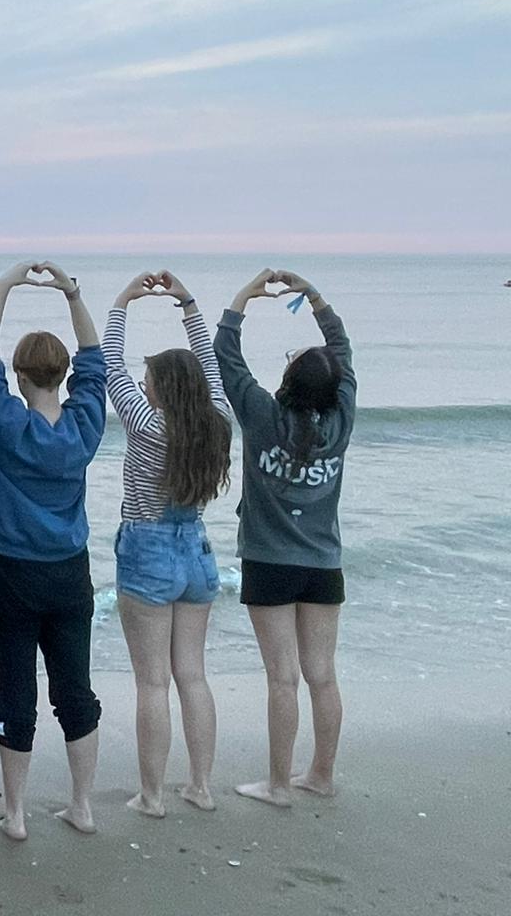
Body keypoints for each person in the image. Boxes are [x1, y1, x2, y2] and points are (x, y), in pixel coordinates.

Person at [0, 260, 106, 841]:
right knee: (74, 688)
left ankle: (17, 812)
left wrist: (0, 287)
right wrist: (72, 293)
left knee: (16, 688)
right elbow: (95, 363)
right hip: (72, 574)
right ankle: (82, 804)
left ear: (21, 377)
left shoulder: (10, 426)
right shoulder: (84, 427)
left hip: (16, 575)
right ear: (61, 376)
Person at [216, 269, 355, 807]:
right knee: (321, 676)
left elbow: (227, 356)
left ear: (289, 384)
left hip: (269, 562)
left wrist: (245, 295)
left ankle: (278, 785)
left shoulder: (262, 416)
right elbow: (342, 350)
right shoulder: (341, 421)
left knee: (282, 679)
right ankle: (319, 775)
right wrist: (314, 297)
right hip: (323, 563)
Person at [105, 270, 231, 817]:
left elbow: (110, 363)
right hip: (198, 552)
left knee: (152, 683)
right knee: (193, 675)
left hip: (148, 551)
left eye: (151, 377)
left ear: (161, 388)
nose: (144, 383)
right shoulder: (218, 422)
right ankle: (200, 786)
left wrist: (123, 302)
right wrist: (187, 304)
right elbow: (211, 367)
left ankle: (152, 796)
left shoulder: (145, 423)